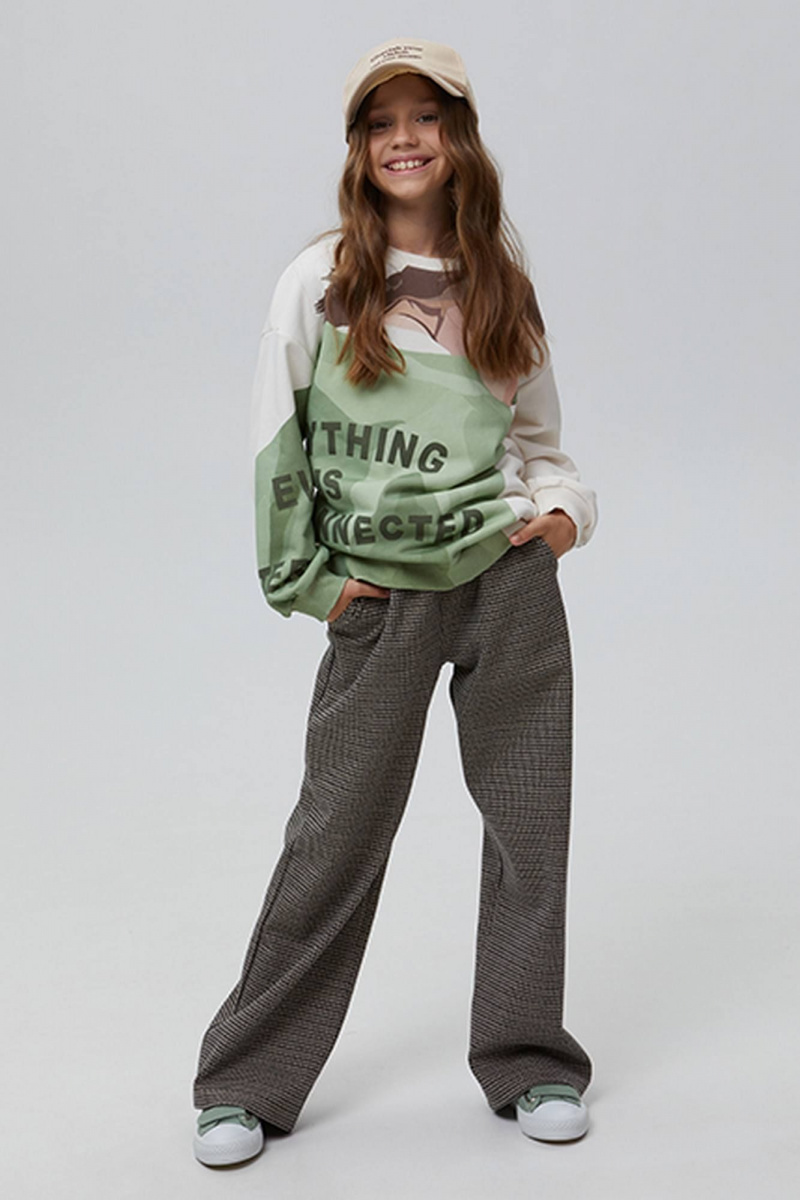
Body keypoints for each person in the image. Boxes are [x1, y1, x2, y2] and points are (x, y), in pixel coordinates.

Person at [191, 37, 598, 1168]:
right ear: (358, 146)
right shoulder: (319, 281)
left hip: (505, 584)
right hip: (380, 598)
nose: (404, 139)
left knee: (529, 832)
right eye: (382, 122)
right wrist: (311, 583)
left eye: (426, 117)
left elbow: (540, 442)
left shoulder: (499, 279)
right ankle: (243, 1083)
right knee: (333, 837)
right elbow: (275, 442)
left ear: (458, 137)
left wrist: (562, 517)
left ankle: (528, 1059)